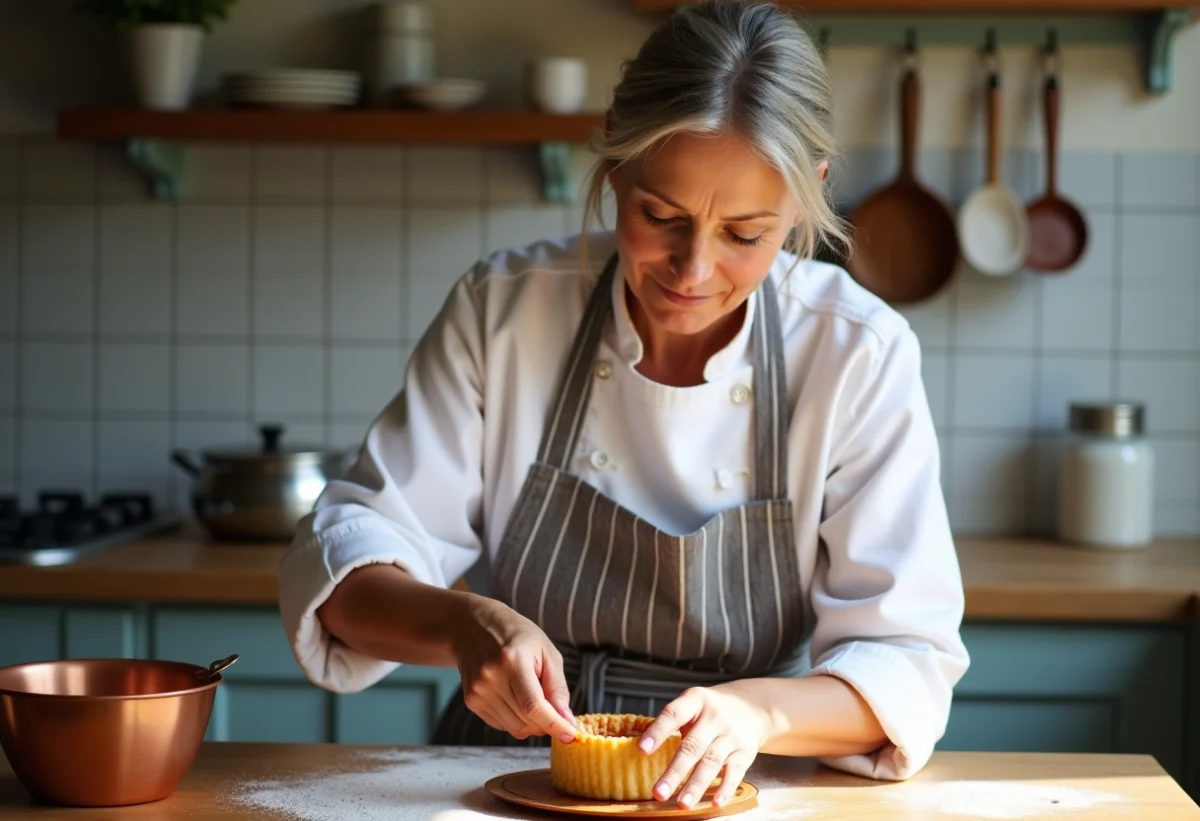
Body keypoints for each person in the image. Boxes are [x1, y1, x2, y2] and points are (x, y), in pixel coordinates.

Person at [278, 0, 969, 809]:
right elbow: (347, 571)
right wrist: (466, 624)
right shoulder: (504, 312)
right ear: (613, 164)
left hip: (740, 784)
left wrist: (758, 710)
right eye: (660, 216)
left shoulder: (855, 351)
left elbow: (904, 660)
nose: (694, 269)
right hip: (508, 775)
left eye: (745, 234)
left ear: (806, 195)